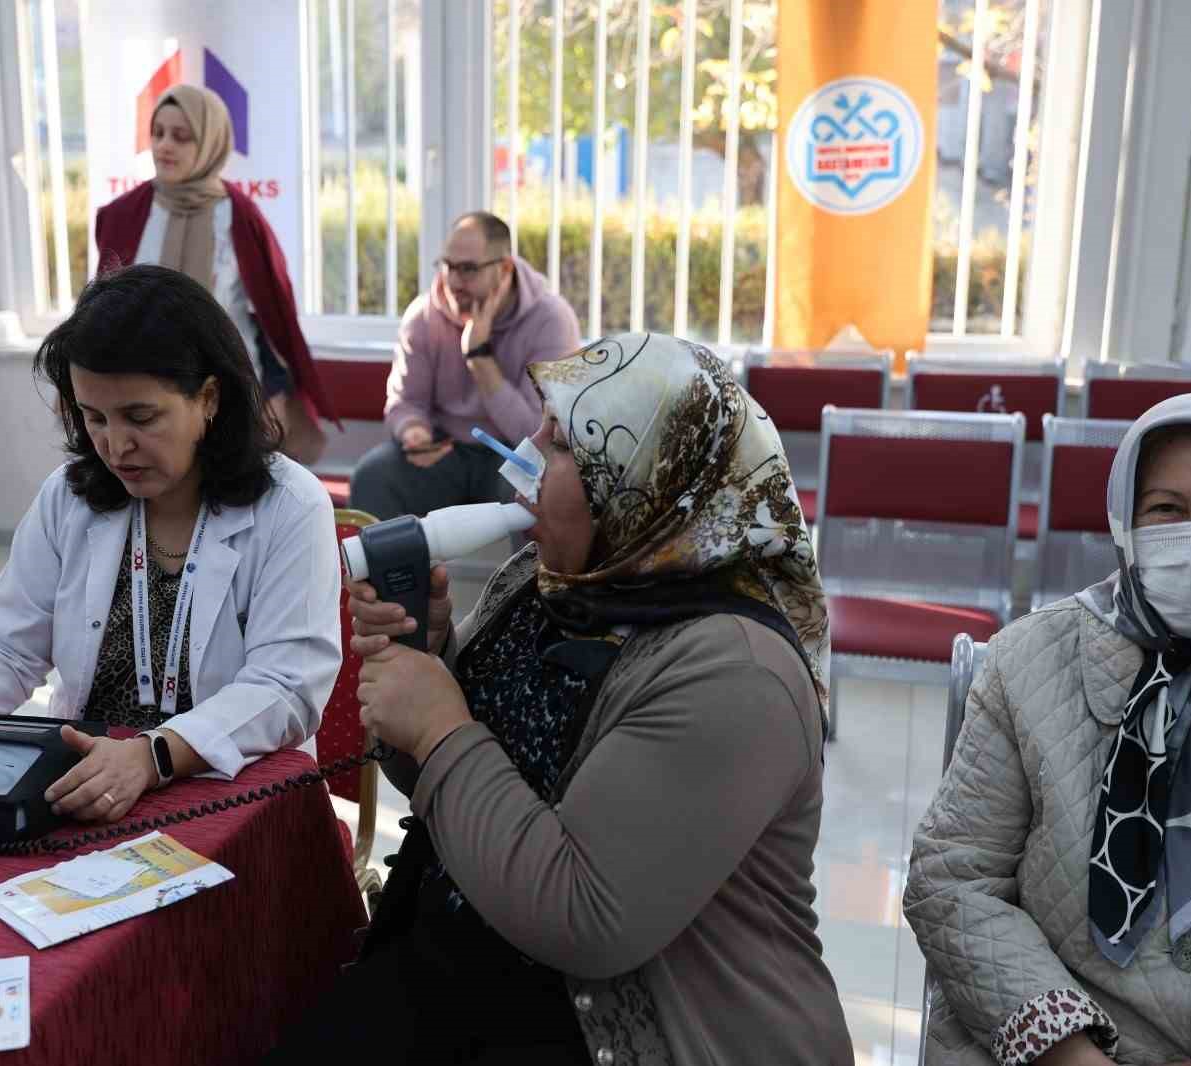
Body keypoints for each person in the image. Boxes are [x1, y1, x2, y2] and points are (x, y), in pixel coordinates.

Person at [270, 333, 852, 1065]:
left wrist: (442, 725)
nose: (529, 448)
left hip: (630, 1031)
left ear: (647, 476)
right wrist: (432, 659)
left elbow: (585, 917)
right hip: (470, 971)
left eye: (565, 439)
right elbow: (456, 791)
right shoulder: (549, 583)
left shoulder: (736, 672)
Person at [0, 265, 341, 822]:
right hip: (82, 784)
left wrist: (150, 757)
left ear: (209, 398)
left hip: (231, 787)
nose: (115, 445)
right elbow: (9, 644)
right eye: (94, 417)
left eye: (141, 417)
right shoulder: (72, 497)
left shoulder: (290, 507)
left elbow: (286, 688)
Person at [905, 393, 1191, 1066]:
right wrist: (1071, 1053)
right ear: (1125, 522)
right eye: (1168, 509)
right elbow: (953, 879)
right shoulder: (1029, 661)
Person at [94, 84, 335, 465]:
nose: (164, 146)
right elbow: (102, 308)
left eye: (181, 136)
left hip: (227, 386)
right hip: (140, 389)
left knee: (229, 497)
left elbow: (272, 315)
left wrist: (274, 389)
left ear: (210, 141)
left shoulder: (239, 216)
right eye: (157, 134)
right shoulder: (124, 214)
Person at [347, 211, 581, 521]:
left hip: (515, 453)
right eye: (448, 267)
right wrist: (413, 430)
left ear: (505, 268)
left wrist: (479, 358)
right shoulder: (423, 316)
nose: (453, 282)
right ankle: (410, 572)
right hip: (446, 450)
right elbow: (405, 403)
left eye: (468, 269)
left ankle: (529, 573)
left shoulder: (551, 320)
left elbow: (537, 432)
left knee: (540, 485)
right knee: (373, 477)